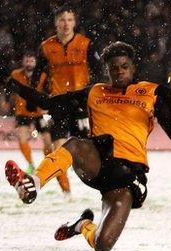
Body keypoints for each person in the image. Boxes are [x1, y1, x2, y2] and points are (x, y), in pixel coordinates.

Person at [4, 41, 171, 251]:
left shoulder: (151, 93)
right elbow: (48, 103)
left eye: (124, 66)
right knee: (75, 145)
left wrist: (168, 99)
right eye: (114, 67)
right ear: (107, 70)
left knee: (103, 244)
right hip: (98, 161)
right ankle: (32, 183)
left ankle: (82, 225)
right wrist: (10, 82)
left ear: (133, 68)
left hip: (126, 177)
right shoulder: (95, 92)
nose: (119, 71)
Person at [30, 5, 102, 197]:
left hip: (81, 104)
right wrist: (32, 98)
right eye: (62, 20)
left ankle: (101, 184)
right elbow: (37, 76)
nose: (66, 24)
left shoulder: (86, 44)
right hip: (59, 103)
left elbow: (100, 73)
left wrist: (94, 94)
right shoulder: (46, 47)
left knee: (90, 149)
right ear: (56, 23)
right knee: (58, 149)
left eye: (69, 20)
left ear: (75, 23)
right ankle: (67, 193)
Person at [9, 52, 53, 175]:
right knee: (22, 139)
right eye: (27, 61)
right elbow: (10, 91)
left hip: (40, 112)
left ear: (36, 62)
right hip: (22, 111)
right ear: (23, 62)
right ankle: (31, 165)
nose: (29, 64)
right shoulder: (15, 74)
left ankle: (48, 165)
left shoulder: (43, 76)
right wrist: (8, 102)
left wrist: (47, 105)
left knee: (48, 141)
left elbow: (49, 91)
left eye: (31, 61)